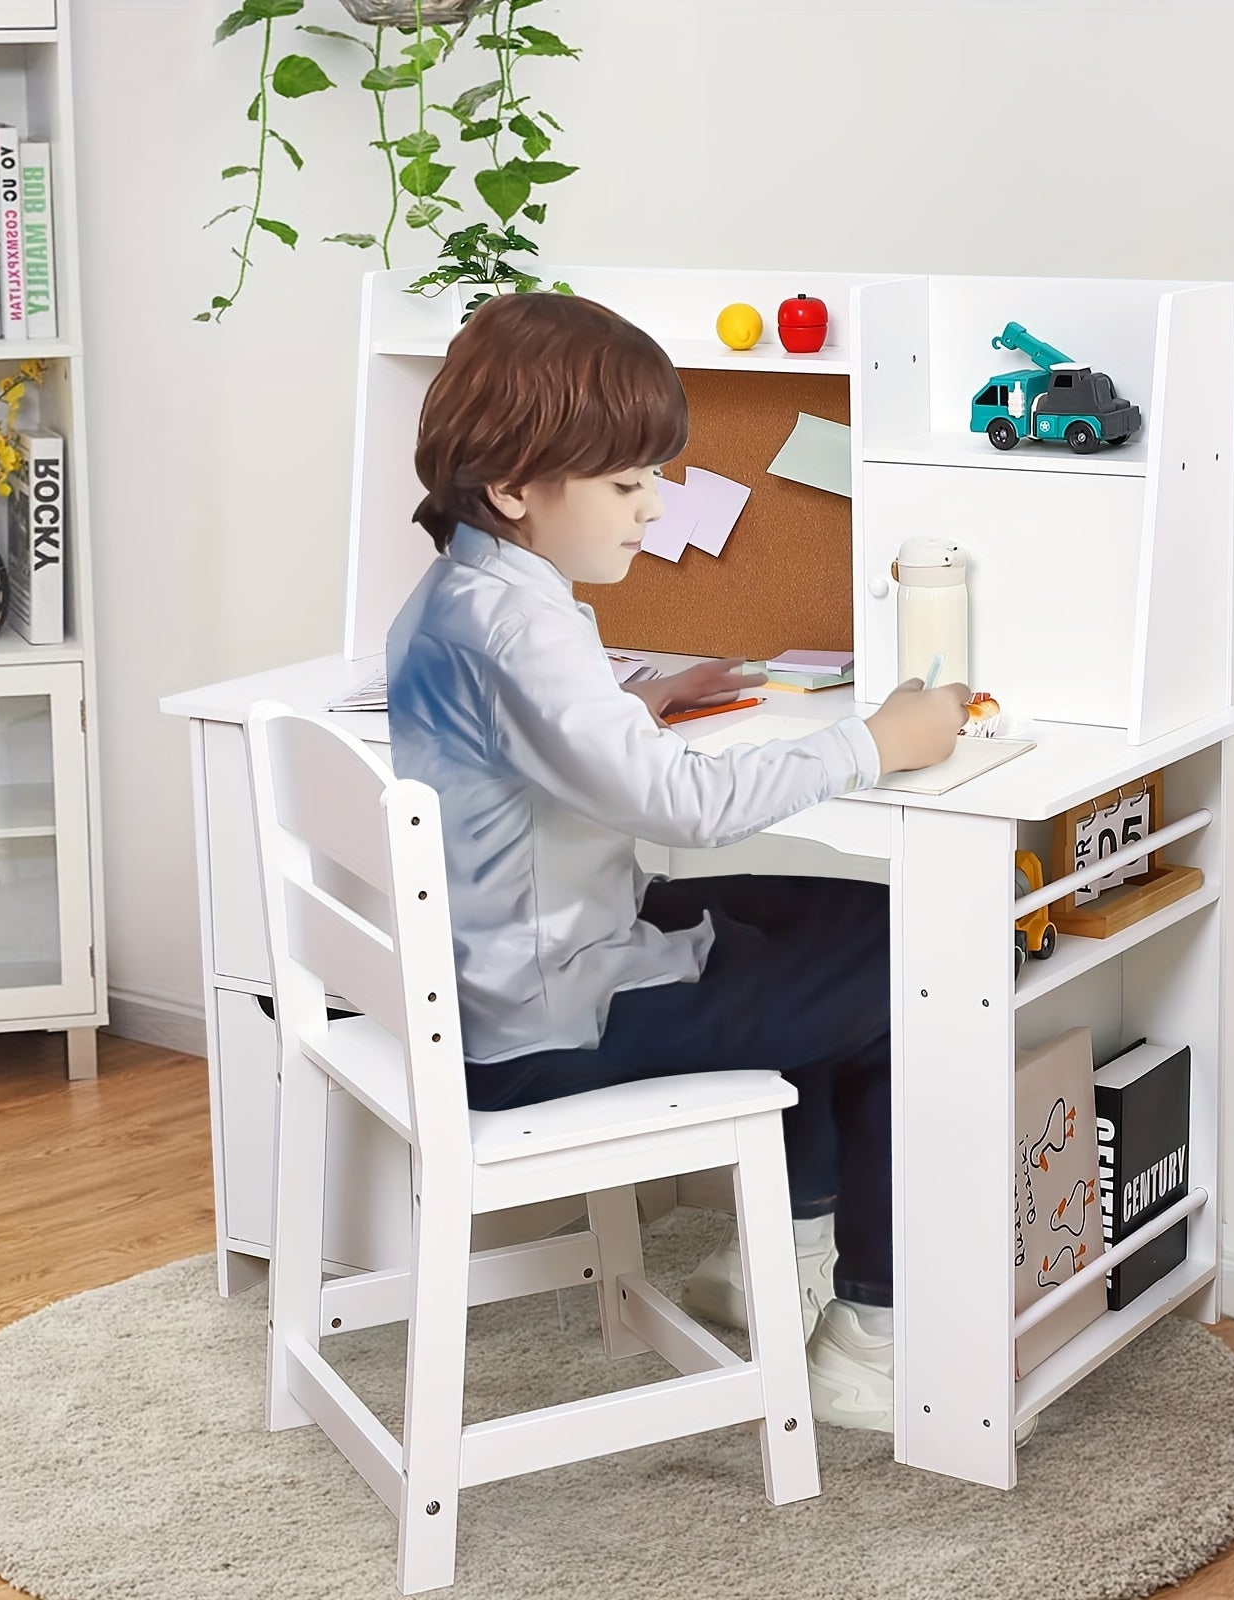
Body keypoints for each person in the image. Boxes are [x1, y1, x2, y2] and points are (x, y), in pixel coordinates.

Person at [386, 291, 968, 1431]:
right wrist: (874, 741)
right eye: (625, 483)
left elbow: (539, 742)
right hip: (546, 1019)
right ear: (513, 487)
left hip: (504, 976)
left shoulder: (464, 590)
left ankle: (771, 1263)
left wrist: (635, 701)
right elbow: (686, 805)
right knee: (915, 964)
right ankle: (872, 1333)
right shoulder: (524, 623)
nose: (654, 507)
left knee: (844, 923)